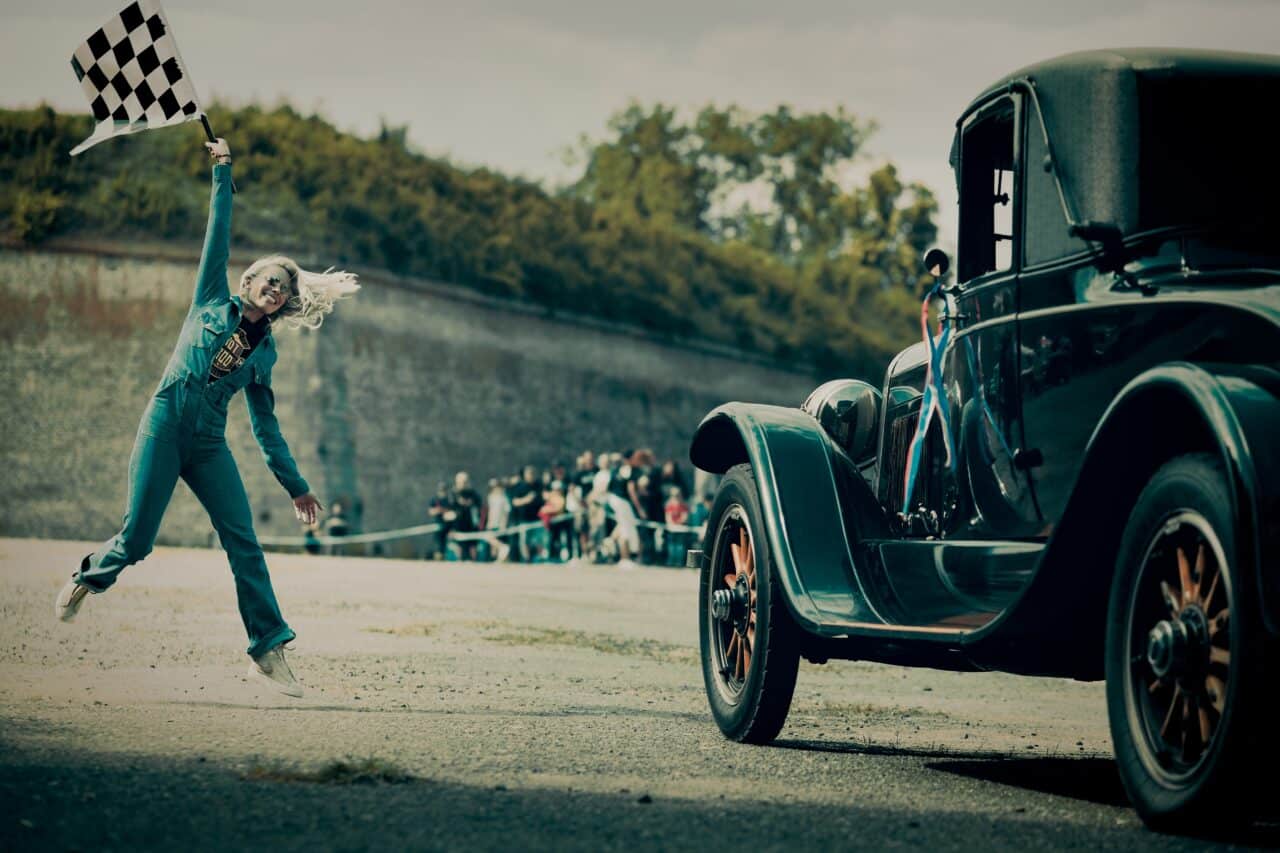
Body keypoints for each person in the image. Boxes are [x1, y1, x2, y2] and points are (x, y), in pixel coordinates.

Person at [54, 137, 359, 698]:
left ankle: (267, 648)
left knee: (243, 540)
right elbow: (215, 234)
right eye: (269, 278)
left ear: (285, 303)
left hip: (209, 444)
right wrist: (223, 169)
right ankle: (89, 575)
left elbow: (268, 430)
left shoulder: (265, 356)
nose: (274, 287)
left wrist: (296, 487)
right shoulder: (208, 302)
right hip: (165, 424)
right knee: (137, 542)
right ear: (248, 282)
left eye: (284, 288)